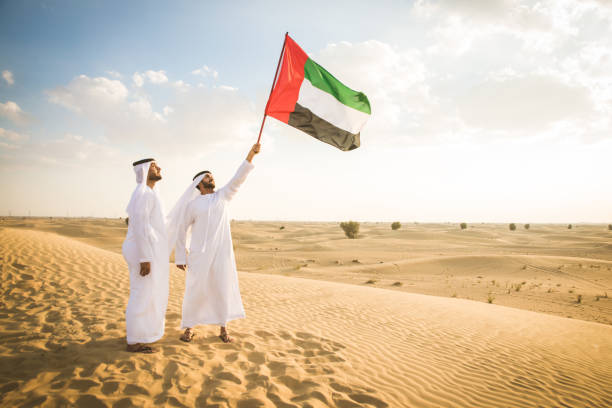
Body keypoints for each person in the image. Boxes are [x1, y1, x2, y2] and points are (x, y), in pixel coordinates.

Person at [167, 144, 260, 343]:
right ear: (199, 184)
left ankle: (223, 329)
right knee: (194, 290)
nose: (212, 178)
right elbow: (181, 231)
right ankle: (189, 328)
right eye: (207, 177)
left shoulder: (222, 196)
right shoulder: (192, 205)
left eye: (212, 176)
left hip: (221, 254)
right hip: (198, 256)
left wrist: (250, 155)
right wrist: (180, 257)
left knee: (222, 288)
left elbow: (239, 178)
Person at [122, 158, 169, 353]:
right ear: (143, 171)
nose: (159, 167)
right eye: (154, 166)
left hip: (145, 250)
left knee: (144, 293)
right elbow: (140, 227)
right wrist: (145, 258)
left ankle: (139, 332)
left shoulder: (147, 193)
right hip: (142, 251)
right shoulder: (143, 194)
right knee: (141, 294)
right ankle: (134, 340)